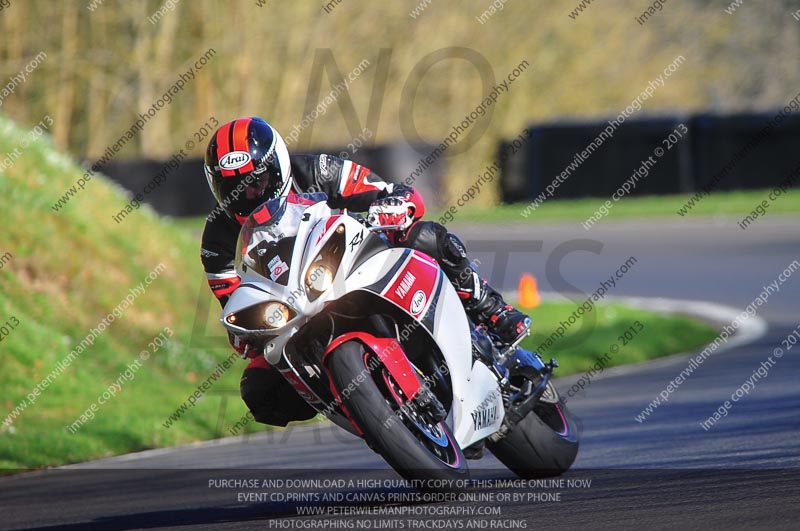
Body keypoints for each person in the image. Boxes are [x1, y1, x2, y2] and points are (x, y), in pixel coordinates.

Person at [201, 117, 531, 428]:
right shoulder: (217, 240)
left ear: (277, 167)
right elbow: (234, 306)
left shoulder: (313, 170)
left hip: (356, 257)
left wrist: (393, 207)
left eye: (256, 181)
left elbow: (396, 193)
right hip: (296, 307)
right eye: (233, 187)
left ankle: (490, 309)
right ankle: (365, 413)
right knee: (259, 386)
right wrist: (246, 335)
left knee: (423, 236)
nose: (247, 195)